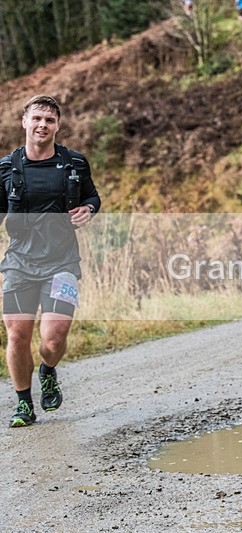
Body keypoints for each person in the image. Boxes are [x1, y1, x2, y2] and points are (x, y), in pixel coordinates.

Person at [0, 95, 101, 427]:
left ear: (57, 125)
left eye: (50, 120)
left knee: (54, 337)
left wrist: (88, 209)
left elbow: (91, 196)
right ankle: (24, 404)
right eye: (37, 119)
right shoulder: (6, 168)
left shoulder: (74, 163)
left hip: (62, 262)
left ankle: (47, 370)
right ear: (25, 122)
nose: (43, 125)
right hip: (19, 262)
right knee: (17, 334)